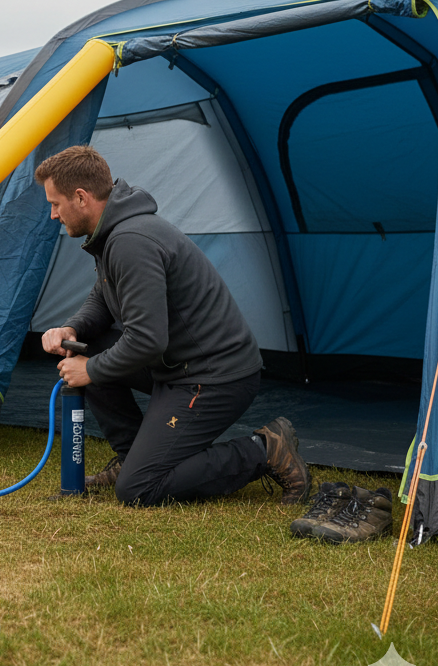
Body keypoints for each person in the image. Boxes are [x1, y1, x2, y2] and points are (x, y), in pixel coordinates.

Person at [35, 145, 310, 507]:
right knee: (86, 346)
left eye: (55, 204)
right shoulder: (113, 233)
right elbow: (103, 297)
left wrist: (92, 370)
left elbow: (147, 340)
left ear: (81, 197)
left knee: (138, 490)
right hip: (177, 368)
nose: (53, 215)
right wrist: (71, 330)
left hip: (215, 377)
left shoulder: (131, 241)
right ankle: (132, 456)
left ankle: (264, 449)